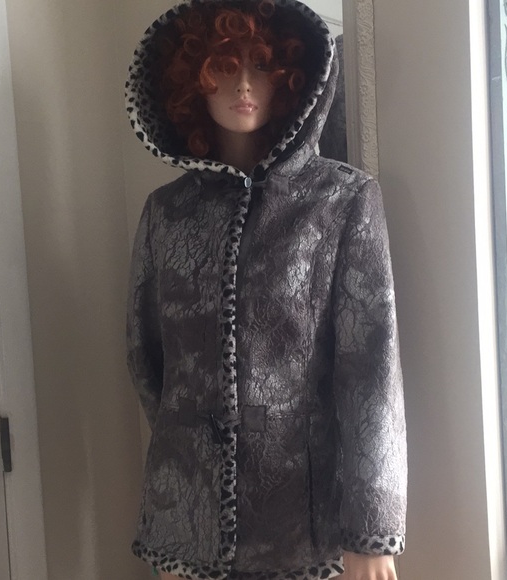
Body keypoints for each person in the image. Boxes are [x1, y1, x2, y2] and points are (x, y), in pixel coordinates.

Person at [125, 1, 407, 579]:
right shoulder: (166, 214)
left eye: (260, 64)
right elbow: (148, 360)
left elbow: (371, 374)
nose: (244, 85)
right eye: (223, 66)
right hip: (185, 524)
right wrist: (186, 463)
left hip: (300, 526)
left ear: (289, 76)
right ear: (193, 80)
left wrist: (370, 531)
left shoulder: (342, 201)